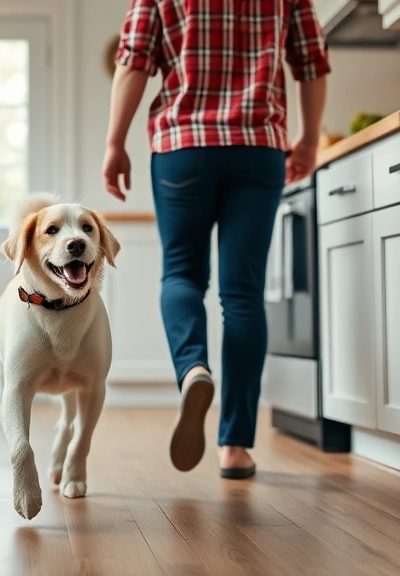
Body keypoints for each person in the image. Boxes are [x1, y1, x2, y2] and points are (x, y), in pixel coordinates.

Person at [103, 0, 329, 478]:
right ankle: (235, 446)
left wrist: (114, 141)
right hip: (258, 146)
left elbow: (133, 62)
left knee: (182, 273)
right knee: (242, 294)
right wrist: (308, 139)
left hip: (182, 147)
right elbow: (311, 60)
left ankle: (193, 370)